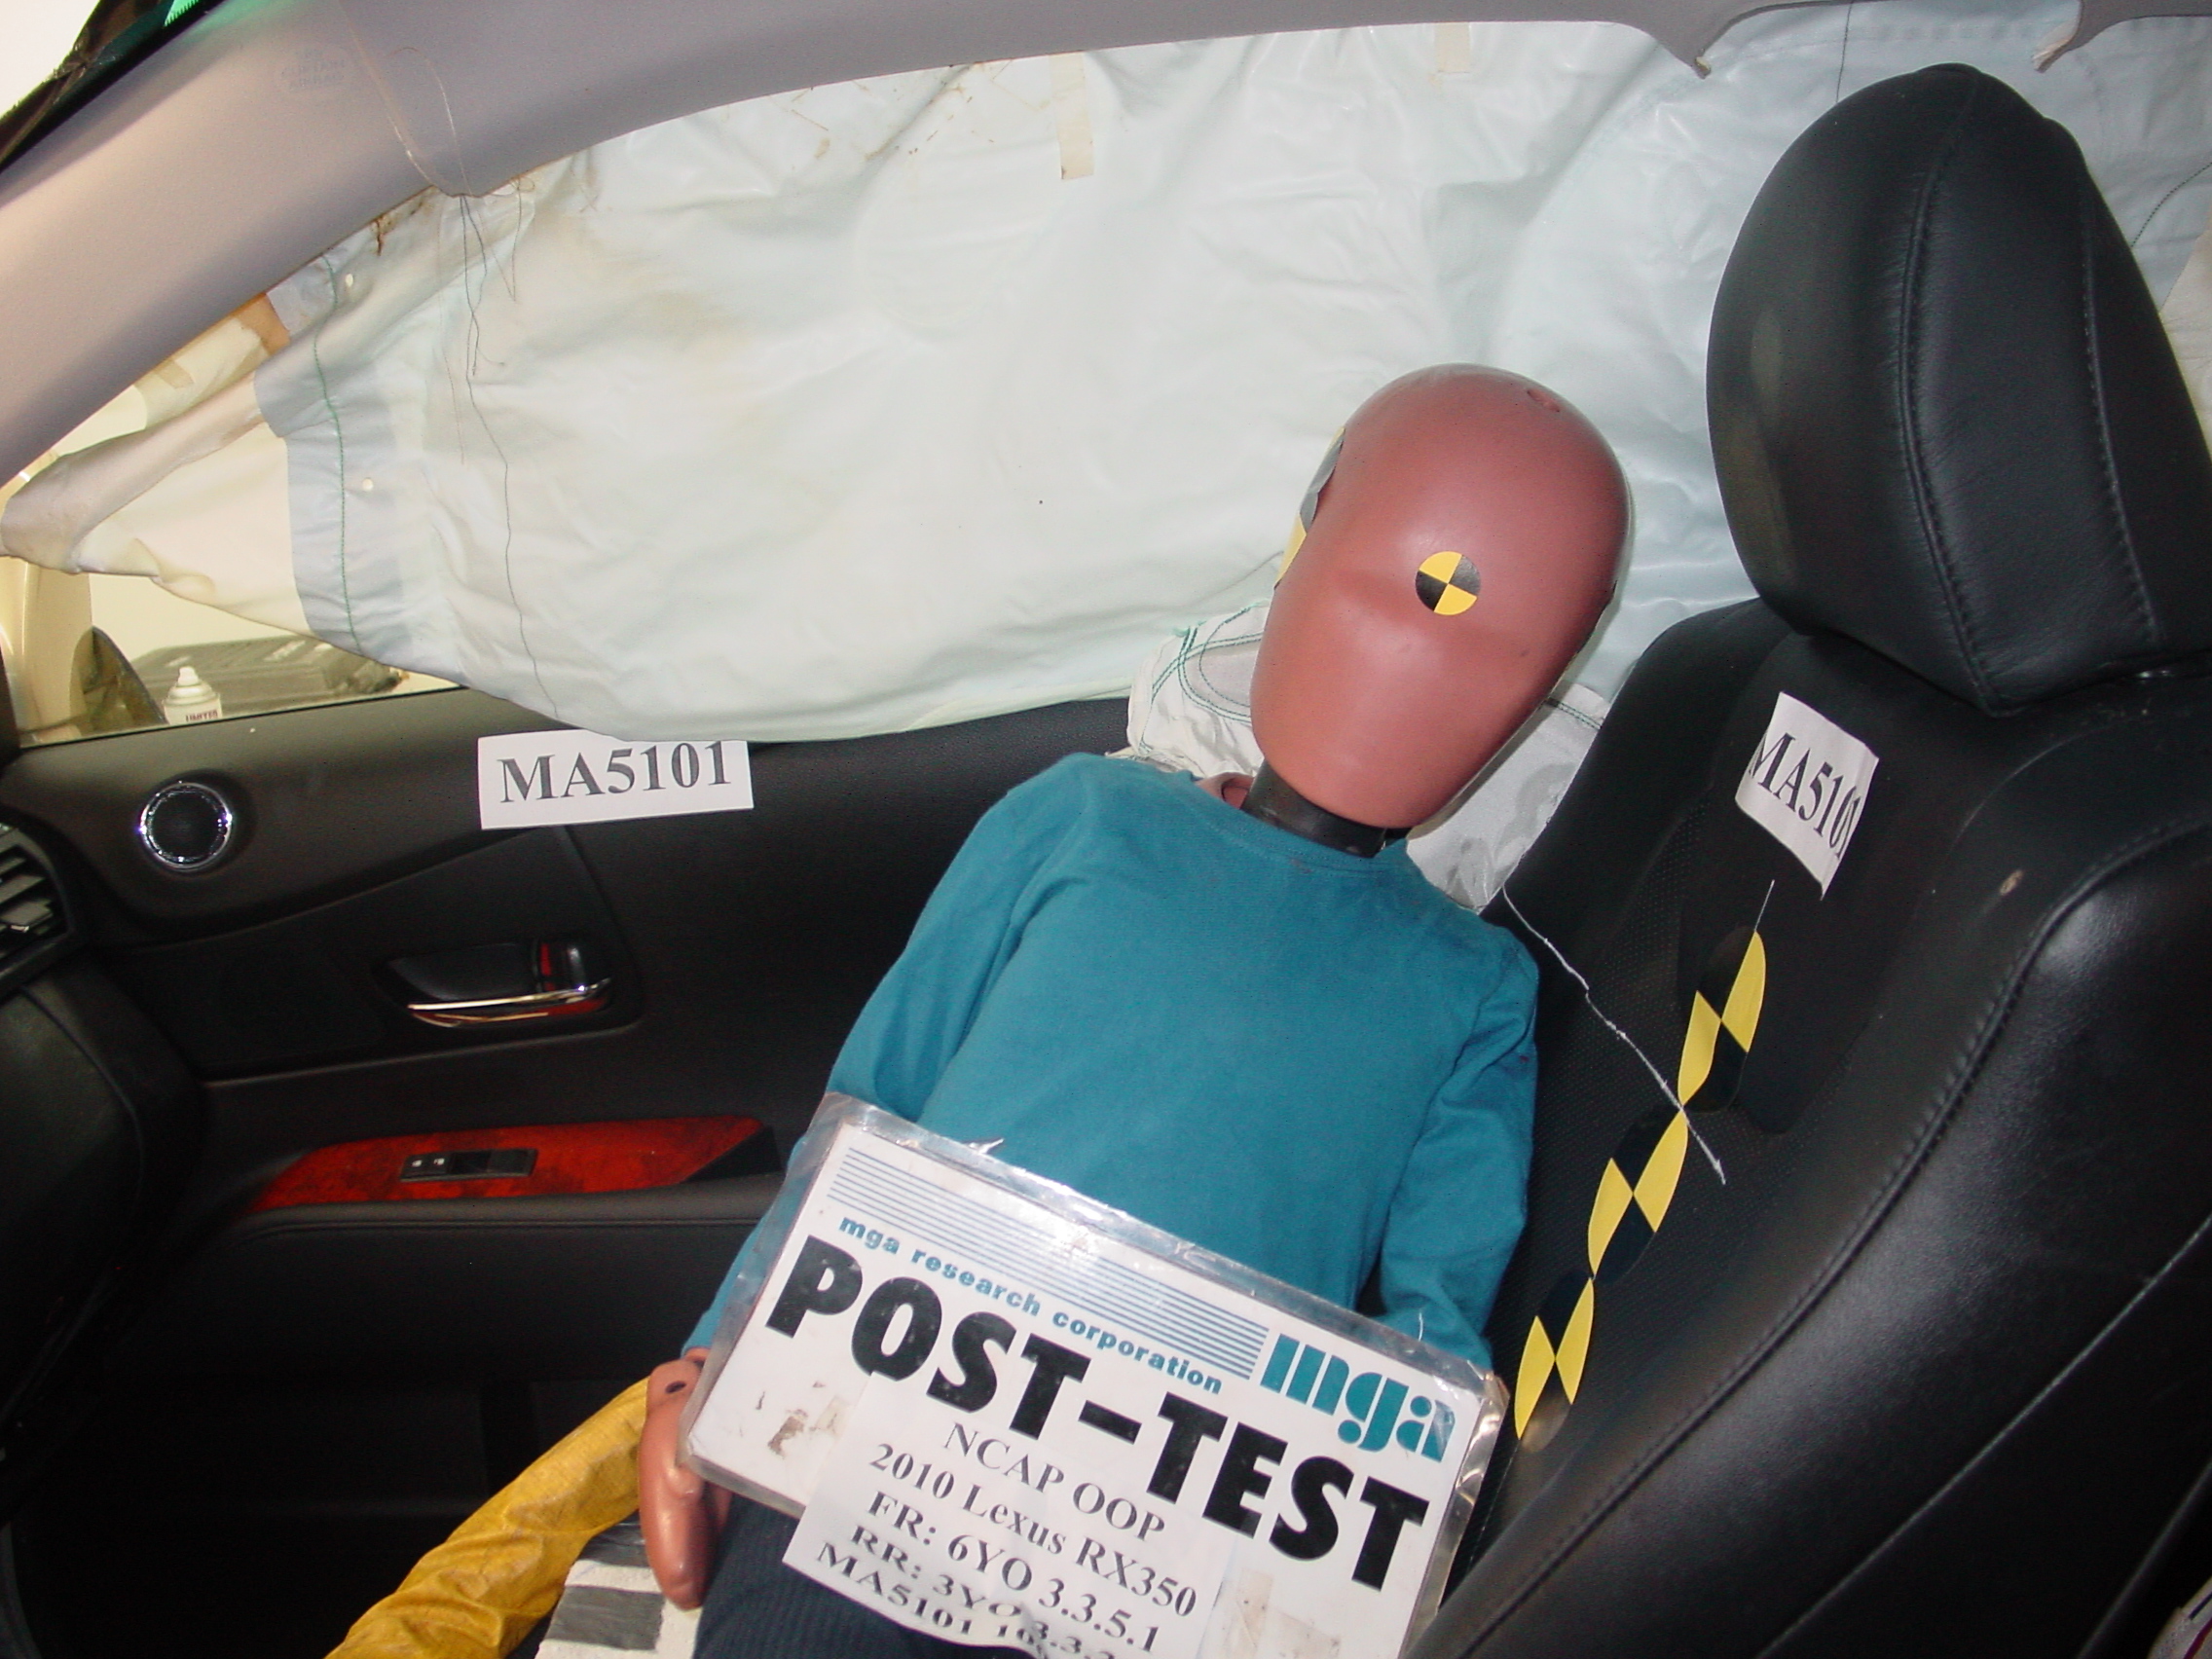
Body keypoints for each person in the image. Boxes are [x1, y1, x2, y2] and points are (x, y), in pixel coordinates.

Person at [641, 364, 1628, 1655]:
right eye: (1410, 586)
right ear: (1307, 546)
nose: (1417, 654)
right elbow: (868, 1113)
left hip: (1162, 1549)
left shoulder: (1474, 987)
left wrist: (1343, 1587)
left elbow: (1431, 1344)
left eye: (1496, 644)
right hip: (877, 1452)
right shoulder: (1078, 817)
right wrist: (720, 1356)